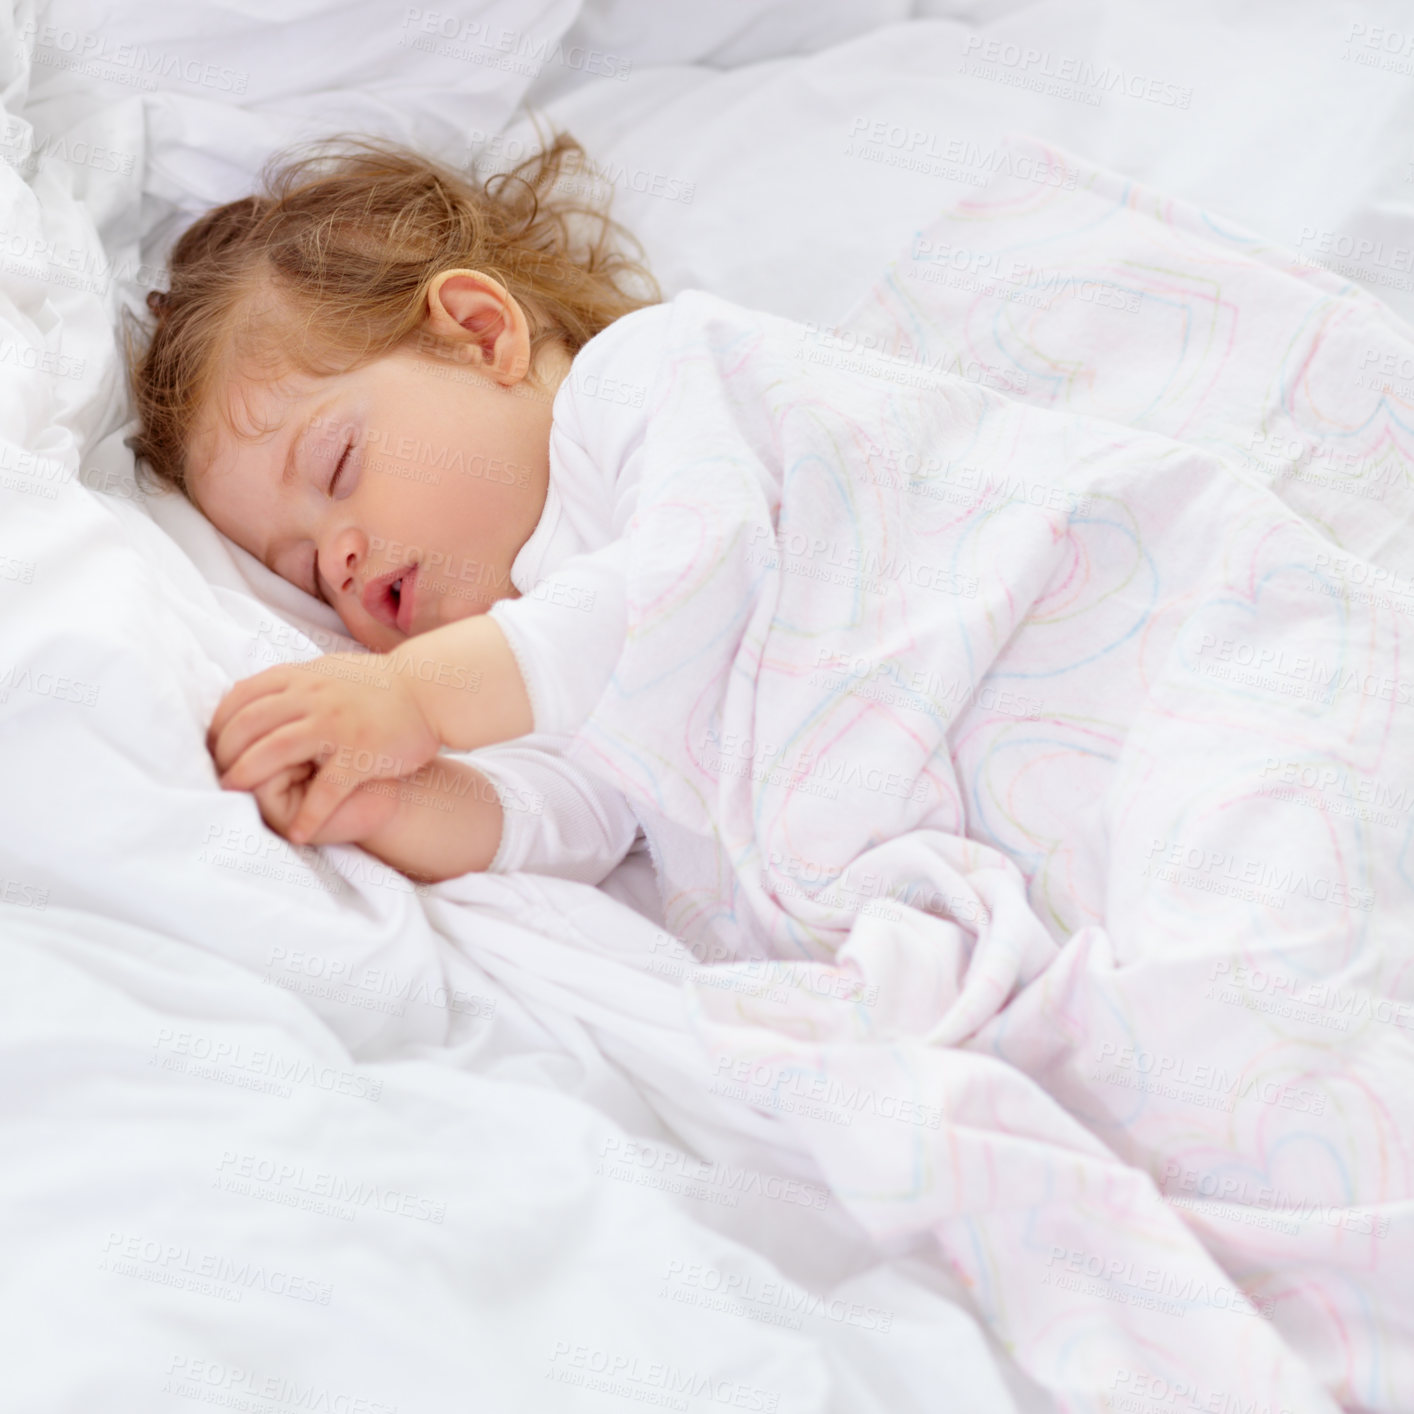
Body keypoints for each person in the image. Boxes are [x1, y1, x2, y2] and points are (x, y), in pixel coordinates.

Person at [126, 128, 671, 886]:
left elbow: (693, 577)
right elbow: (582, 814)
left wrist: (419, 695)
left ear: (480, 336)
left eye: (339, 465)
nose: (338, 562)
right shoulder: (516, 669)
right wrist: (389, 803)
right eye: (308, 573)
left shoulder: (658, 377)